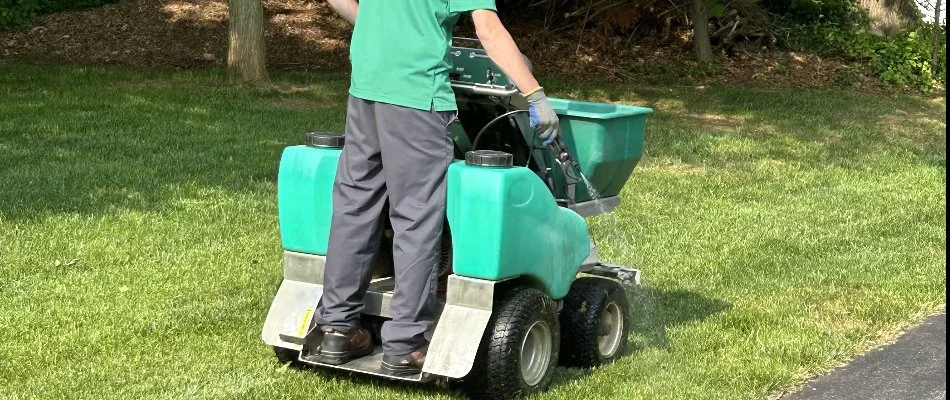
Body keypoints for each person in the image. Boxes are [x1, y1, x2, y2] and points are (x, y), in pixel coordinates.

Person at [315, 0, 561, 376]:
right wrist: (534, 94)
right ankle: (405, 345)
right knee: (415, 216)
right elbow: (489, 30)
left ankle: (336, 329)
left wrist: (383, 31)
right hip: (417, 97)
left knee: (356, 206)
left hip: (366, 87)